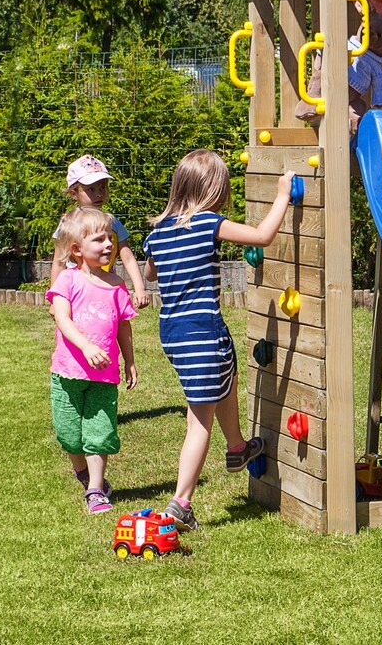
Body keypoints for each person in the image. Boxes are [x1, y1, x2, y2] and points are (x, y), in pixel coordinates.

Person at [144, 151, 295, 531]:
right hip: (202, 328)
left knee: (225, 381)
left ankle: (237, 447)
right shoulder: (208, 222)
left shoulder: (157, 232)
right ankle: (181, 502)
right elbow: (262, 236)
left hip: (174, 333)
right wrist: (281, 195)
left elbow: (151, 274)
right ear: (214, 189)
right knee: (199, 420)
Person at [47, 205, 138, 514]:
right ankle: (83, 473)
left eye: (109, 238)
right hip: (67, 372)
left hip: (103, 376)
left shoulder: (116, 285)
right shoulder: (68, 281)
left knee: (99, 433)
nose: (109, 245)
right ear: (76, 250)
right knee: (69, 435)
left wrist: (129, 361)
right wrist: (85, 346)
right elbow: (62, 318)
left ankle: (96, 490)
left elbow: (124, 326)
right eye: (99, 240)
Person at [66, 154, 149, 309]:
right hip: (76, 291)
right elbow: (58, 261)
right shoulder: (68, 224)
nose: (99, 194)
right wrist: (56, 298)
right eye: (91, 189)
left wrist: (139, 288)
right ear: (73, 193)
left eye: (103, 187)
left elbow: (127, 257)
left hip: (106, 285)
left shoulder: (112, 222)